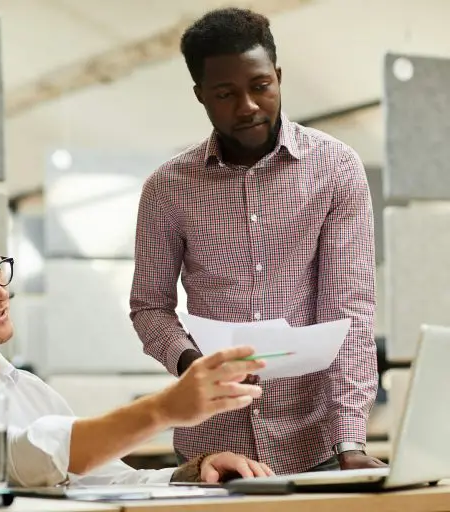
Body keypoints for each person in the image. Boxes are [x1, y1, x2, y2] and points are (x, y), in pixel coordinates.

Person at [129, 7, 384, 476]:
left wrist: (351, 436)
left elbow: (348, 307)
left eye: (260, 86)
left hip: (316, 443)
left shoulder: (336, 169)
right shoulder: (167, 188)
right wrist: (194, 366)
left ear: (279, 77)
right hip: (212, 447)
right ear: (200, 96)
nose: (247, 105)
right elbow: (149, 306)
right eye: (225, 93)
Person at [0, 212, 275, 489]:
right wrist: (164, 409)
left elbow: (103, 476)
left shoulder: (26, 389)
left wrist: (194, 473)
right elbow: (21, 456)